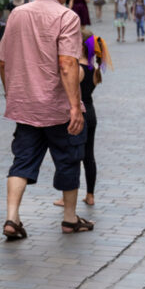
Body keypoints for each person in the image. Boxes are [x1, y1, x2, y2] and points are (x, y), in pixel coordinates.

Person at [0, 0, 93, 240]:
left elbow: (3, 61)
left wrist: (10, 94)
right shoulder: (67, 17)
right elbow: (67, 64)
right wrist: (75, 106)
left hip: (25, 106)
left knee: (21, 161)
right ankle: (70, 218)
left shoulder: (17, 14)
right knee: (70, 158)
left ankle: (12, 218)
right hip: (57, 107)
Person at [54, 30, 111, 207]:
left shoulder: (77, 68)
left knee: (72, 155)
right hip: (92, 113)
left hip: (80, 113)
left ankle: (66, 198)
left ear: (80, 45)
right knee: (89, 156)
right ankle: (90, 195)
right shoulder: (94, 69)